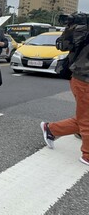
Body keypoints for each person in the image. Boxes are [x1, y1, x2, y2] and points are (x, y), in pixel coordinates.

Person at [41, 18, 89, 166]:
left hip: (81, 78)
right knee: (86, 118)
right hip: (84, 79)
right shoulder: (83, 30)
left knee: (84, 117)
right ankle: (87, 155)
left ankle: (51, 129)